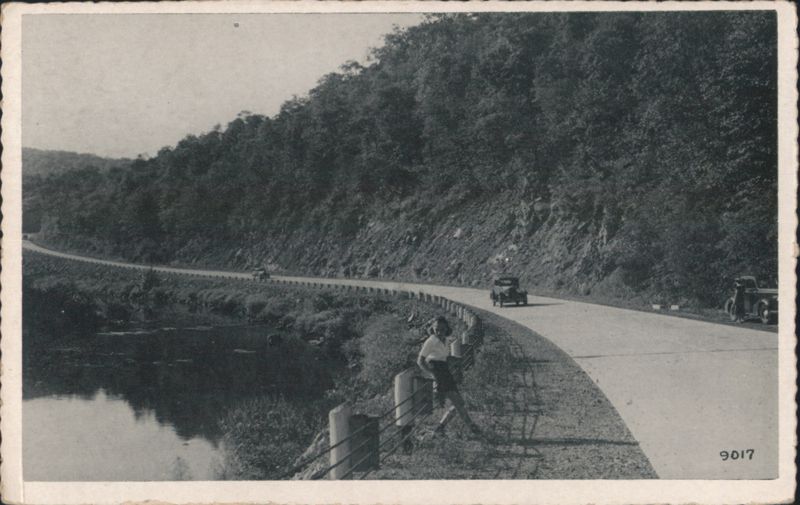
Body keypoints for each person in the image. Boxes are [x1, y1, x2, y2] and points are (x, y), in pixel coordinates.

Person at [416, 316, 481, 436]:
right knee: (458, 402)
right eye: (436, 329)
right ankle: (472, 427)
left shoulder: (446, 340)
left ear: (446, 329)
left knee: (458, 403)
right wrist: (433, 375)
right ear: (433, 329)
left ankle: (440, 427)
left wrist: (456, 360)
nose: (439, 331)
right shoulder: (431, 341)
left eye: (442, 329)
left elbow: (443, 358)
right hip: (438, 372)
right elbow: (420, 361)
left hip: (445, 371)